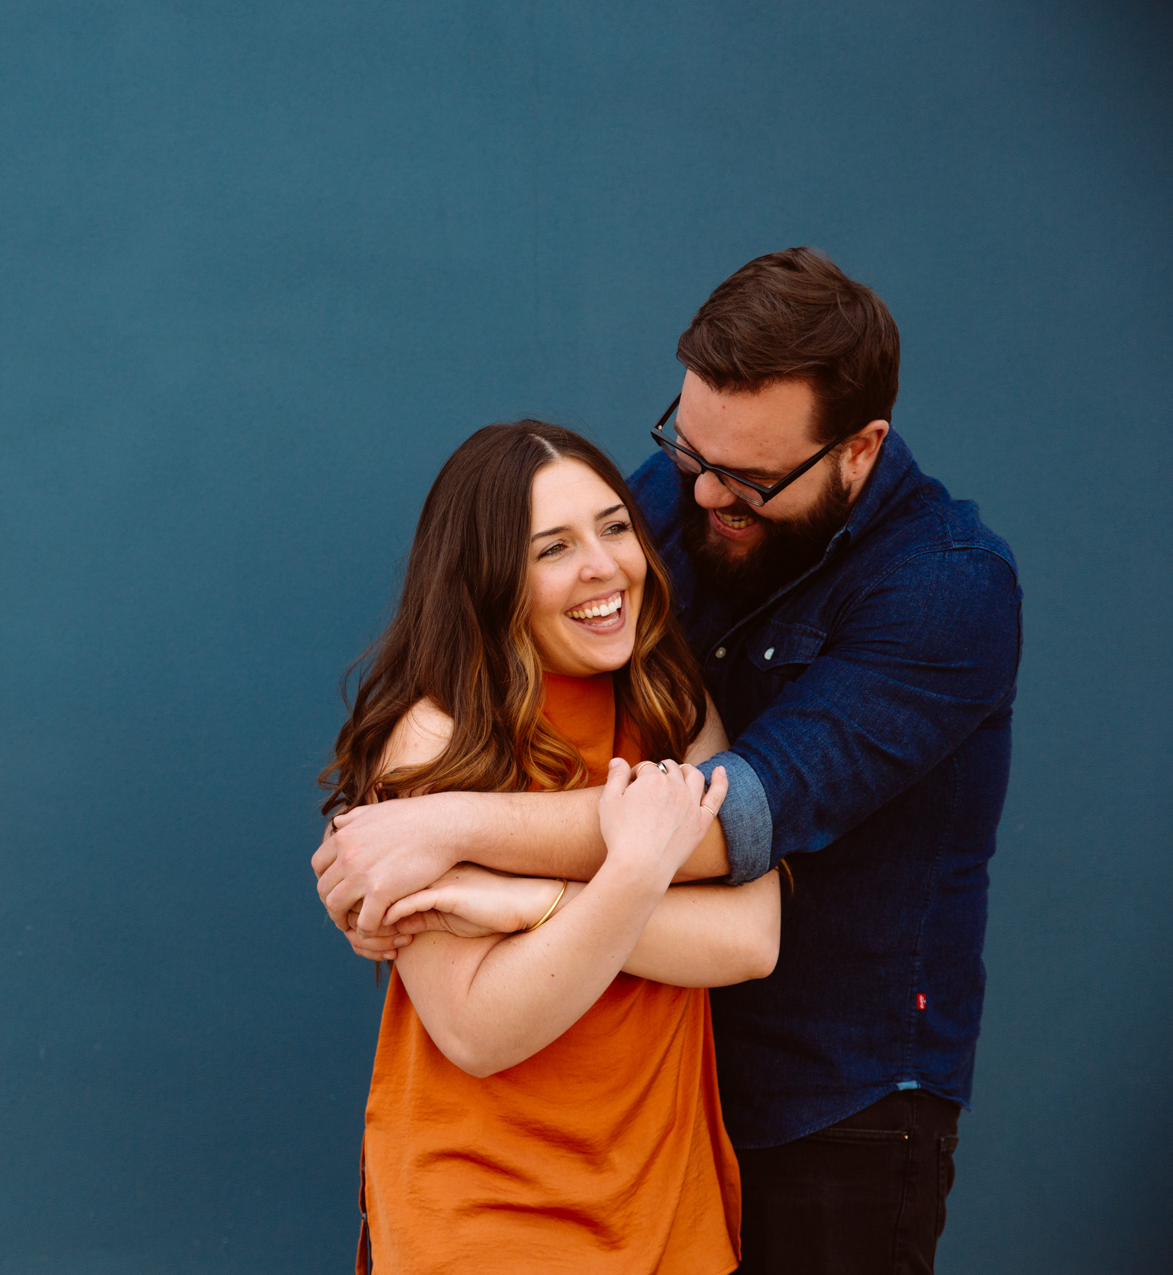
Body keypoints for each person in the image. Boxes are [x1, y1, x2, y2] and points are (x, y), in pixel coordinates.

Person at [314, 249, 1021, 1274]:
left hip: (829, 1097)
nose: (699, 499)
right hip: (600, 1120)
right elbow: (529, 596)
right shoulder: (673, 500)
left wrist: (455, 841)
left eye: (750, 479)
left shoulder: (944, 589)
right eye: (687, 452)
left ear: (858, 449)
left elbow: (728, 823)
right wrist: (408, 824)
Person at [324, 419, 782, 1274]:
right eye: (553, 549)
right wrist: (636, 870)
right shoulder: (434, 739)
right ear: (488, 580)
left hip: (664, 1213)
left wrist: (528, 902)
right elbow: (479, 1029)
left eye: (614, 527)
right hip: (487, 1221)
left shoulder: (673, 708)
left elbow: (751, 939)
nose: (603, 566)